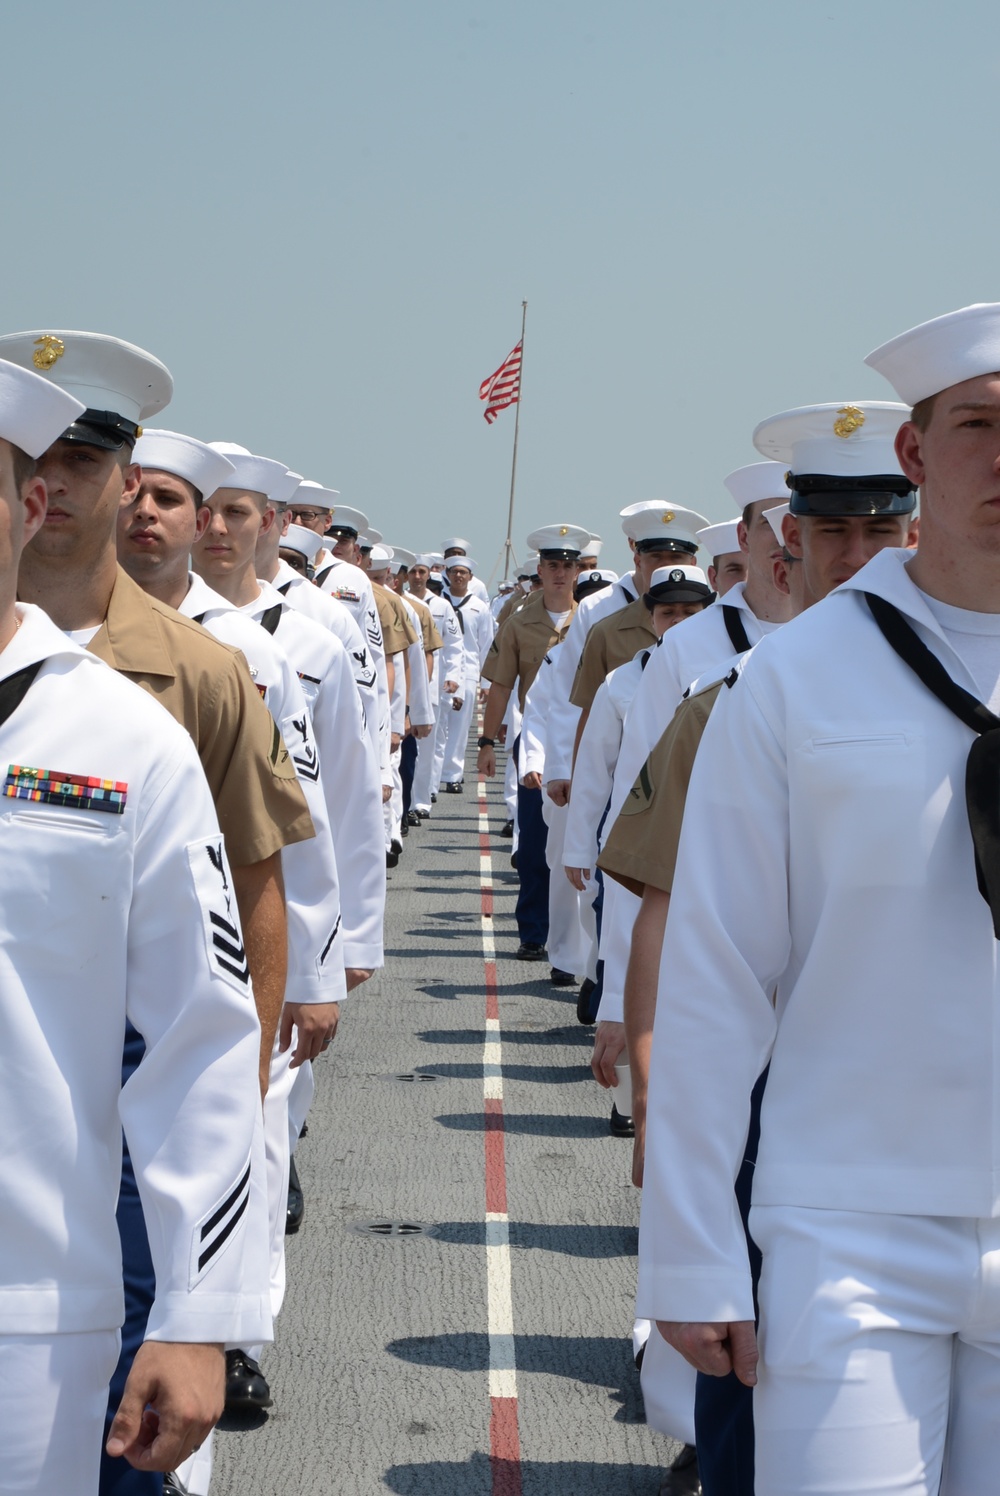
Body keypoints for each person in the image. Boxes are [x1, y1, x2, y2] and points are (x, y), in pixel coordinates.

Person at [638, 307, 1000, 1495]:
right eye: (977, 426)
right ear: (915, 452)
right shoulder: (793, 679)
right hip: (847, 1220)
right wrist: (692, 1250)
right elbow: (717, 972)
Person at [0, 359, 267, 1491]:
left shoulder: (119, 736)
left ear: (30, 506)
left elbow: (201, 1037)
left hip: (30, 1314)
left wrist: (200, 1313)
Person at [478, 524, 590, 967]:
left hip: (585, 741)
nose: (560, 574)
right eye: (552, 565)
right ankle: (533, 931)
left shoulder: (594, 620)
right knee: (533, 844)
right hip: (537, 738)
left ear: (578, 571)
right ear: (539, 570)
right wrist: (487, 742)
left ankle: (578, 942)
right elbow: (502, 687)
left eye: (568, 566)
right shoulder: (519, 624)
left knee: (579, 846)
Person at [440, 555, 494, 792]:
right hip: (441, 670)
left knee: (460, 727)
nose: (459, 576)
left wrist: (486, 682)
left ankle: (452, 775)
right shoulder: (438, 602)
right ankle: (434, 772)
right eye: (454, 571)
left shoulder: (479, 607)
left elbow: (486, 645)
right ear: (448, 574)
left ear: (470, 577)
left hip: (469, 672)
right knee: (439, 724)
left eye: (463, 572)